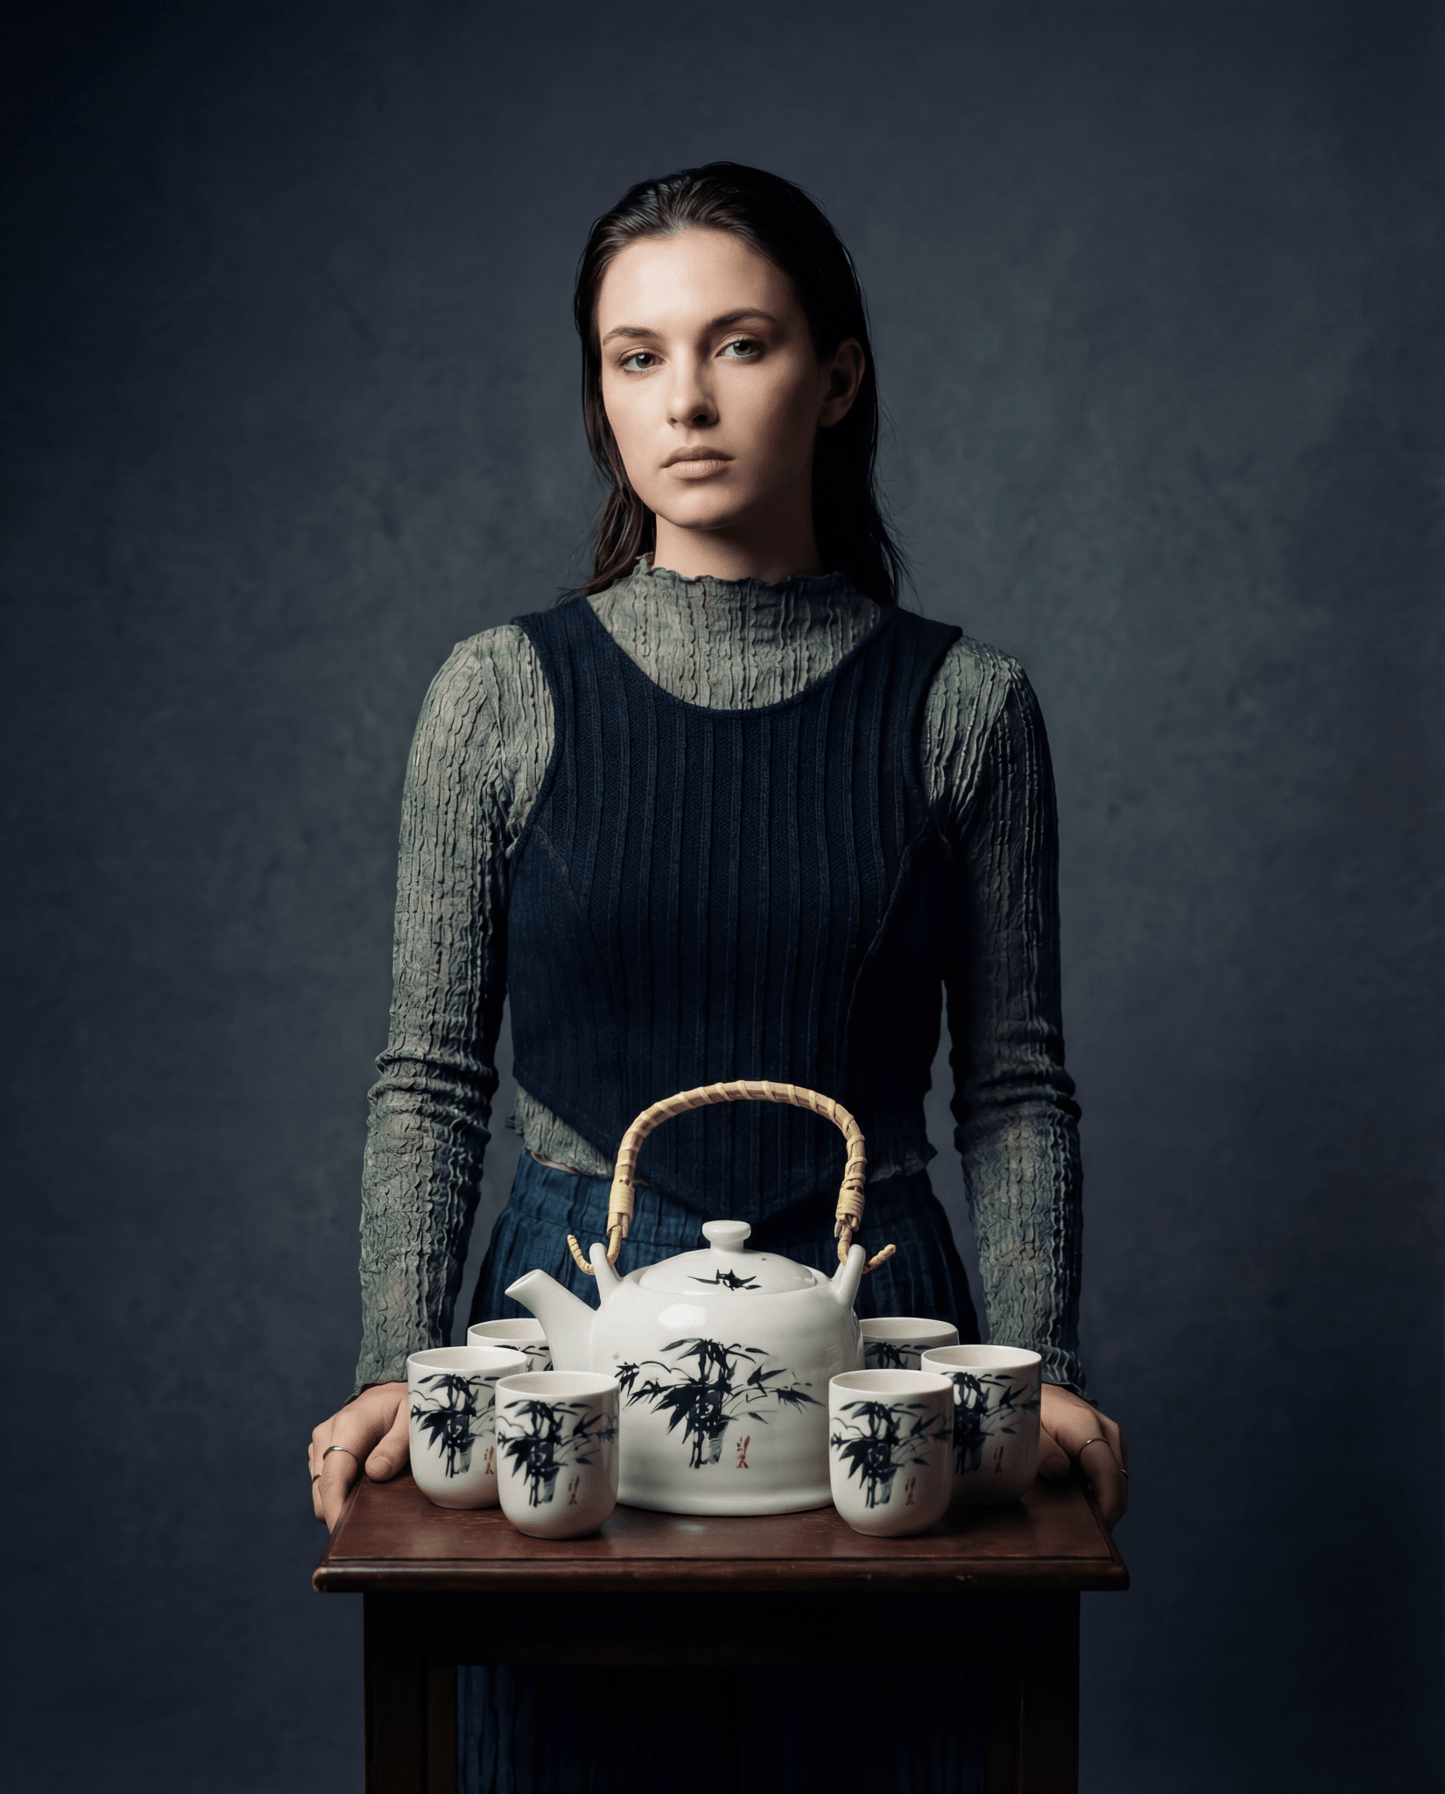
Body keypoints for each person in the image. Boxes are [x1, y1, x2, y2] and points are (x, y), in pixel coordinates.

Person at [309, 162, 1127, 1786]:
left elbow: (1016, 1085)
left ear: (835, 373)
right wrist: (401, 1361)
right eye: (635, 355)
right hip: (562, 1347)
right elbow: (431, 1075)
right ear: (600, 392)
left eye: (737, 344)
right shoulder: (498, 694)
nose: (684, 398)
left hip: (880, 1340)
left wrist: (1033, 1370)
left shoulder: (965, 707)